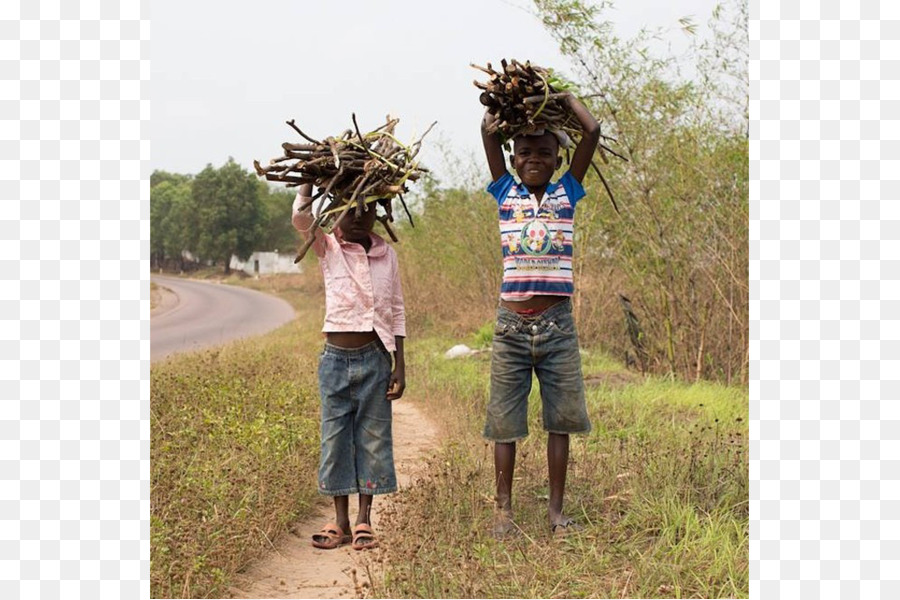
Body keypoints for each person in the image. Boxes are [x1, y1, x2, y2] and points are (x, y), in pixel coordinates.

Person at [480, 93, 601, 538]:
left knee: (561, 420)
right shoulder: (504, 191)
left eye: (544, 153)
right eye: (525, 152)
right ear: (513, 158)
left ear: (557, 160)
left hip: (557, 326)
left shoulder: (566, 193)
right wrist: (510, 101)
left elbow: (592, 132)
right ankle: (504, 512)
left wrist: (564, 99)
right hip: (511, 327)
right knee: (504, 422)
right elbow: (487, 130)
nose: (534, 159)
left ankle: (555, 511)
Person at [291, 183, 406, 550]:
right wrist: (307, 184)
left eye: (367, 209)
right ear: (334, 210)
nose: (358, 216)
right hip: (335, 362)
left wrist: (399, 364)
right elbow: (300, 218)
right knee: (335, 438)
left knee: (372, 439)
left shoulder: (387, 256)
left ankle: (363, 520)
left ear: (380, 212)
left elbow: (397, 310)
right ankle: (339, 520)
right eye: (349, 208)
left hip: (376, 357)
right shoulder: (327, 247)